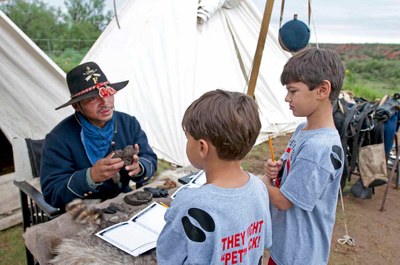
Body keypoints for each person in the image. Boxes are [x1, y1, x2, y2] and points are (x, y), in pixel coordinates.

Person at [157, 89, 272, 264]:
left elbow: (168, 258)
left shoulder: (189, 202)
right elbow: (265, 240)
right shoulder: (258, 187)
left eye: (188, 138)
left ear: (202, 147)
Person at [262, 48, 345, 265]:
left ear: (322, 90)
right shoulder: (303, 129)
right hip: (286, 247)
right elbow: (290, 171)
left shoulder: (319, 148)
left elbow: (283, 201)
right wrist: (278, 169)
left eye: (293, 91)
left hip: (298, 255)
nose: (287, 98)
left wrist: (254, 183)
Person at [40, 62, 157, 210]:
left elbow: (150, 158)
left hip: (123, 201)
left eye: (107, 93)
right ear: (76, 106)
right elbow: (53, 193)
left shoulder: (129, 123)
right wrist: (91, 176)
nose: (105, 103)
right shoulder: (58, 139)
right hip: (83, 211)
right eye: (92, 99)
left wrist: (139, 167)